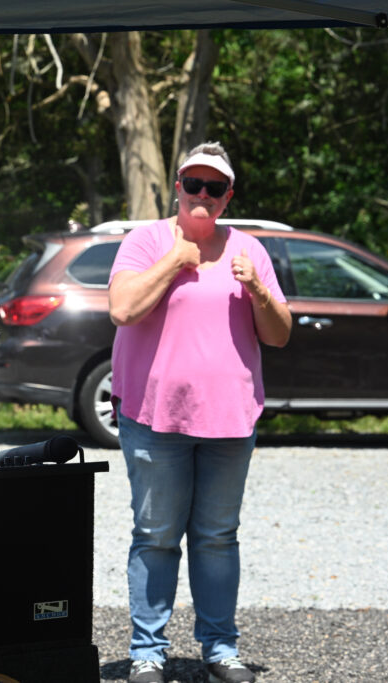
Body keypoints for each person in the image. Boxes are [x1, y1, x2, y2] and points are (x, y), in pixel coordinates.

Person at [107, 142, 291, 683]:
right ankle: (148, 652)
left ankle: (220, 650)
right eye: (194, 185)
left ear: (228, 195)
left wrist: (256, 287)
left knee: (216, 537)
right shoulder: (146, 241)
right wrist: (175, 260)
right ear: (179, 186)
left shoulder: (249, 249)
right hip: (153, 417)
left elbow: (278, 335)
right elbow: (122, 309)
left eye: (215, 188)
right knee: (157, 535)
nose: (203, 196)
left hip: (230, 420)